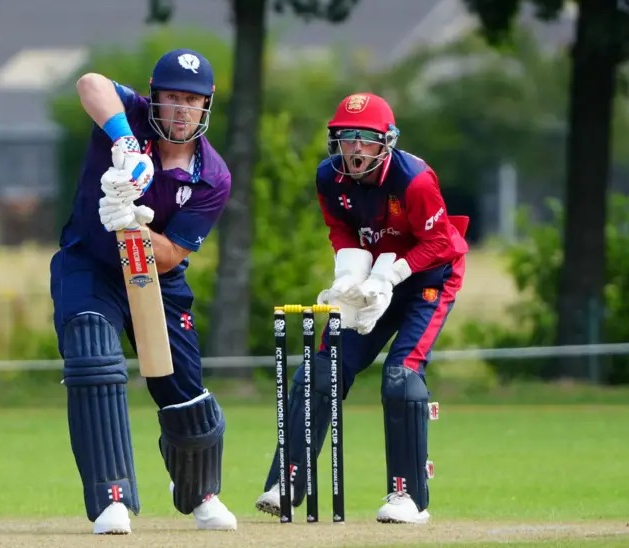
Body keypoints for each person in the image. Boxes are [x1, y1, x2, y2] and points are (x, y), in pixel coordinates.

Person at [254, 92, 469, 524]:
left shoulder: (415, 180)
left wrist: (393, 275)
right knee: (321, 368)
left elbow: (441, 242)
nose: (354, 149)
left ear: (386, 142)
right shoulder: (328, 178)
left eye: (365, 140)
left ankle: (407, 497)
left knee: (401, 375)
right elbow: (341, 229)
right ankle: (288, 481)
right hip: (371, 279)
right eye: (346, 138)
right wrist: (349, 277)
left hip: (429, 277)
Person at [48, 48, 237, 535]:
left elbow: (173, 252)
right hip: (89, 262)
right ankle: (112, 498)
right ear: (153, 98)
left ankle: (199, 492)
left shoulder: (212, 177)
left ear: (206, 106)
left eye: (191, 101)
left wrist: (130, 224)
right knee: (93, 356)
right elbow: (90, 81)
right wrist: (125, 144)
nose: (179, 110)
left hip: (158, 274)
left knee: (182, 389)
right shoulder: (130, 117)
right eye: (171, 97)